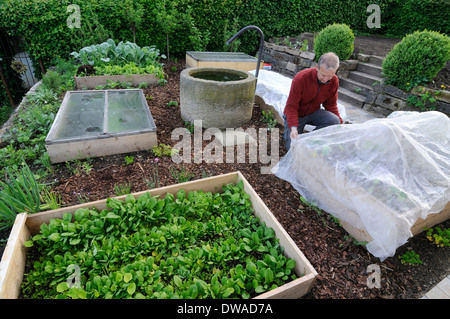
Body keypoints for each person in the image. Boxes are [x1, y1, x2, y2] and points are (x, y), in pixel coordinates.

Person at [283, 52, 343, 150]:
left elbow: (331, 105)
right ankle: (288, 132)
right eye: (323, 75)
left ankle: (311, 141)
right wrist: (293, 127)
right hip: (297, 114)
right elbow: (291, 106)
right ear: (317, 67)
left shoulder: (334, 81)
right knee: (293, 147)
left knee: (334, 120)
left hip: (313, 112)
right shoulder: (301, 78)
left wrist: (340, 125)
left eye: (330, 76)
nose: (326, 80)